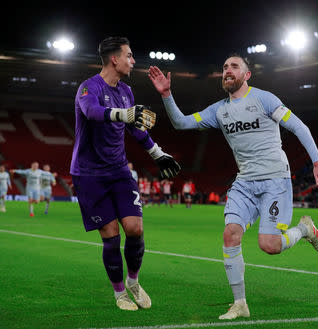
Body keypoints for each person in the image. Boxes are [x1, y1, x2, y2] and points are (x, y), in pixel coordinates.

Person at [148, 54, 318, 320]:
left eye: (234, 66)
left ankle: (305, 229)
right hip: (244, 183)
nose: (227, 70)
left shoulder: (265, 99)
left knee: (269, 245)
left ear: (247, 75)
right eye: (224, 67)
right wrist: (167, 94)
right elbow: (181, 123)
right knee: (230, 235)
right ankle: (240, 304)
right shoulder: (218, 110)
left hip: (275, 181)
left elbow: (299, 127)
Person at [70, 36, 181, 311]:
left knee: (135, 228)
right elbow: (94, 112)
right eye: (129, 56)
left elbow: (135, 128)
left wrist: (157, 153)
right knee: (110, 235)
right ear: (114, 59)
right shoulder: (88, 88)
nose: (133, 61)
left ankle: (133, 281)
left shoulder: (126, 91)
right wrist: (125, 114)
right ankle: (119, 293)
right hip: (89, 174)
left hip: (119, 170)